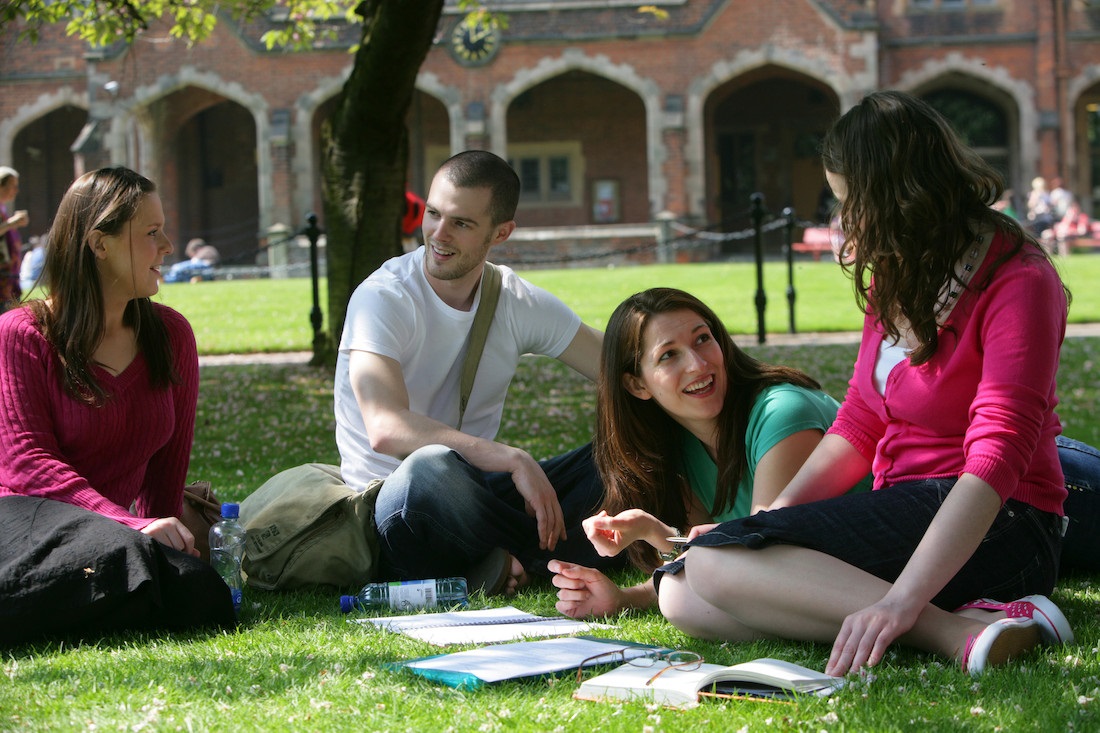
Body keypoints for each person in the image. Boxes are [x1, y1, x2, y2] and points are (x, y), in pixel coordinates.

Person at [653, 91, 1074, 678]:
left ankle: (951, 631)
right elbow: (859, 423)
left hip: (1002, 521)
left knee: (715, 567)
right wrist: (768, 518)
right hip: (903, 504)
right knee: (683, 595)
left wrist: (899, 600)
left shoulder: (1018, 279)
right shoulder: (900, 274)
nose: (845, 221)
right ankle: (970, 623)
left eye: (851, 201)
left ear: (901, 196)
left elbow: (998, 452)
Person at [334, 150, 624, 596]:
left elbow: (620, 371)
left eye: (462, 224)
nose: (438, 234)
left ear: (501, 233)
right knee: (427, 471)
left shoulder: (514, 301)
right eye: (433, 214)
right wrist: (511, 458)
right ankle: (549, 555)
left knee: (621, 454)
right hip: (394, 504)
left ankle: (503, 562)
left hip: (480, 499)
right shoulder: (383, 297)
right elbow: (385, 427)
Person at [0, 167, 236, 644]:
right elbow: (27, 465)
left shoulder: (170, 335)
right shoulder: (22, 334)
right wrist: (130, 523)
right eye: (151, 233)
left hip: (110, 534)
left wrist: (171, 539)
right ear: (99, 243)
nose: (168, 245)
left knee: (199, 593)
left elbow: (165, 478)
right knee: (119, 556)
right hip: (25, 522)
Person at [549, 288, 871, 618]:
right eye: (668, 355)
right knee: (681, 598)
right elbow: (704, 562)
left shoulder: (784, 412)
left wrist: (660, 536)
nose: (698, 364)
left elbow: (761, 550)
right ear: (636, 385)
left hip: (873, 569)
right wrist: (624, 595)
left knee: (687, 601)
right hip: (810, 584)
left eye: (702, 339)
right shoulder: (678, 444)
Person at [0, 166, 29, 309]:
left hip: (9, 278)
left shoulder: (3, 209)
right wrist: (12, 223)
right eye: (13, 186)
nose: (16, 191)